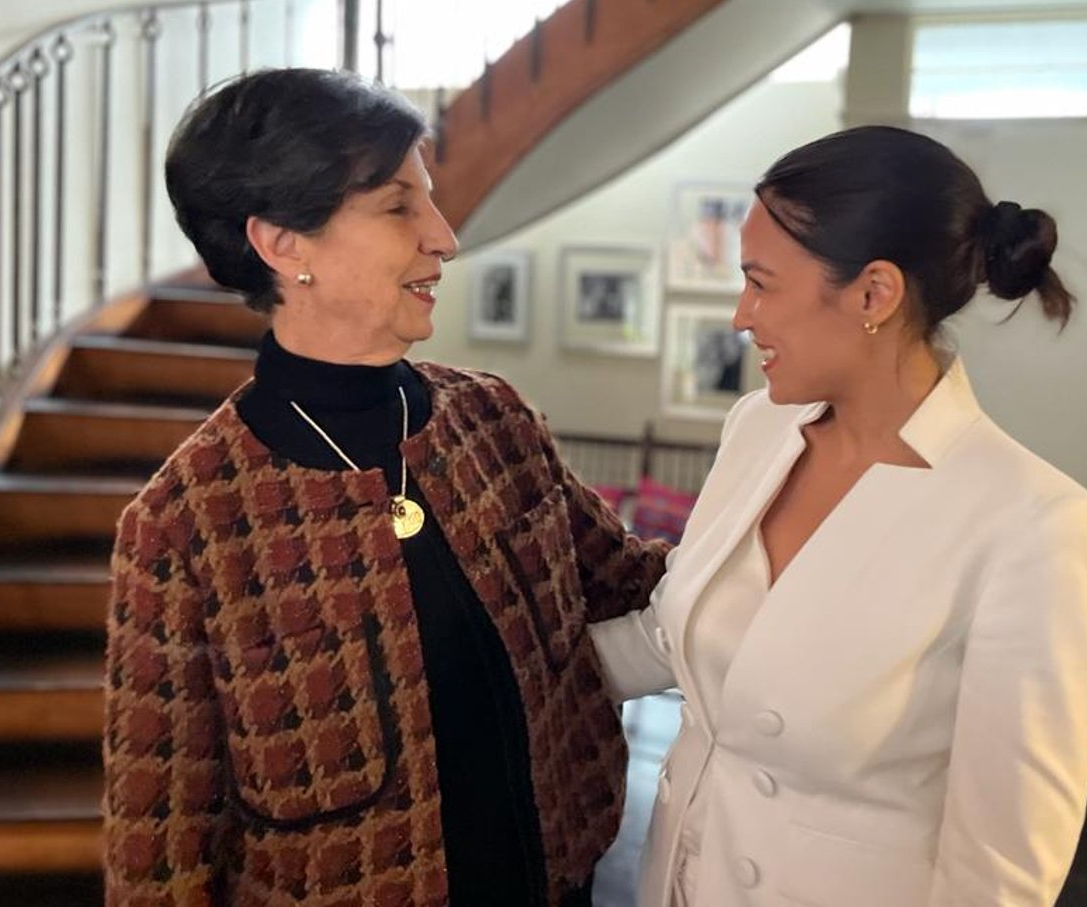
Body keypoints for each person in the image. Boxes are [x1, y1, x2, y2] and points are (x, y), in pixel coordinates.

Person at [102, 68, 668, 907]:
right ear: (283, 244)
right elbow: (160, 849)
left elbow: (638, 581)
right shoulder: (190, 523)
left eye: (428, 200)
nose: (443, 235)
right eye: (400, 205)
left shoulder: (493, 422)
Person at [589, 125, 1087, 906]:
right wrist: (489, 665)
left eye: (762, 283)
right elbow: (681, 633)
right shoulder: (759, 427)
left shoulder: (1034, 526)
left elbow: (998, 875)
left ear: (874, 293)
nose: (741, 314)